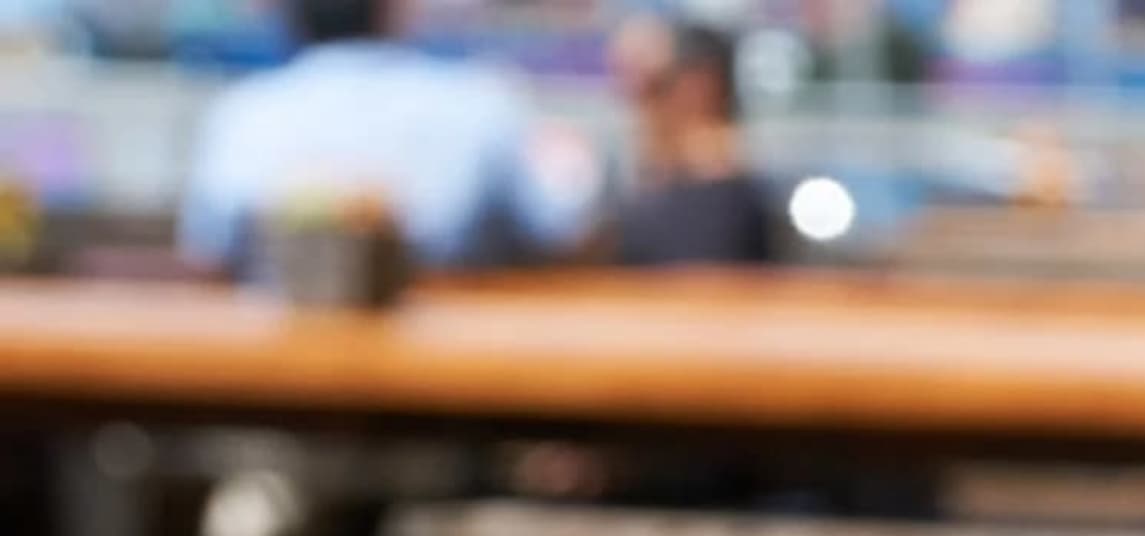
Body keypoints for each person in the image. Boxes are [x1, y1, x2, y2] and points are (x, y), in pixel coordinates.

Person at [177, 0, 588, 282]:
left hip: (276, 370)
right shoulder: (479, 103)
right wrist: (572, 163)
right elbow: (561, 229)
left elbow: (207, 254)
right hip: (449, 371)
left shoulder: (243, 113)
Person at [611, 22, 780, 269]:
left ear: (701, 86)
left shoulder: (723, 191)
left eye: (659, 87)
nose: (644, 103)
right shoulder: (643, 178)